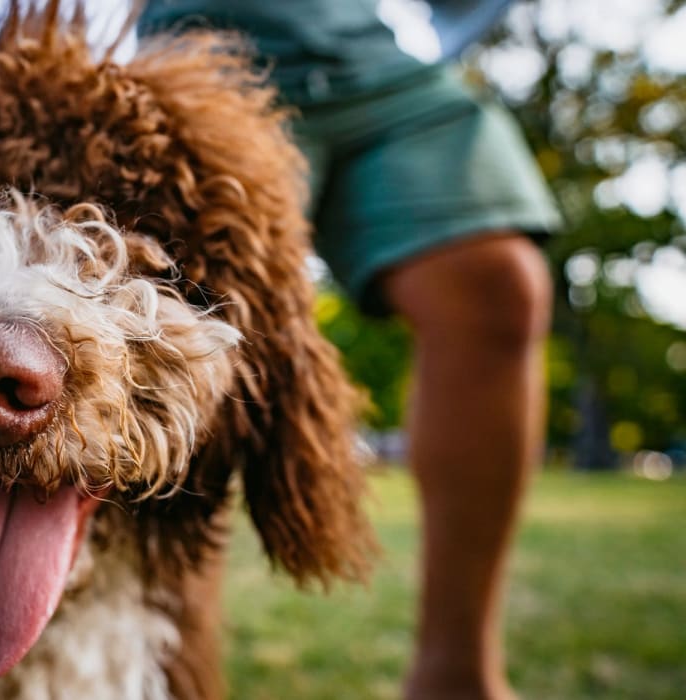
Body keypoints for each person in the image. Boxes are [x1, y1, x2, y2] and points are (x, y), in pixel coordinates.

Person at [138, 2, 560, 698]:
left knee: (496, 281)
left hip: (365, 54)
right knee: (193, 340)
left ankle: (456, 677)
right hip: (206, 42)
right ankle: (163, 674)